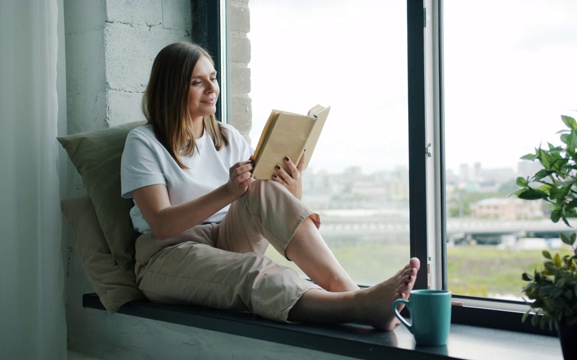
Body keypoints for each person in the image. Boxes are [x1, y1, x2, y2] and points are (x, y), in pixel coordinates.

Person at [121, 41, 419, 330]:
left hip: (225, 237)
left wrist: (291, 189)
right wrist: (227, 192)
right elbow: (161, 223)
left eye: (213, 78)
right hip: (169, 254)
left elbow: (263, 207)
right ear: (172, 90)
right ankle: (358, 306)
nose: (212, 89)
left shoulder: (228, 137)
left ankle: (349, 289)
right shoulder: (145, 142)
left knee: (262, 188)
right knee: (253, 269)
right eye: (198, 82)